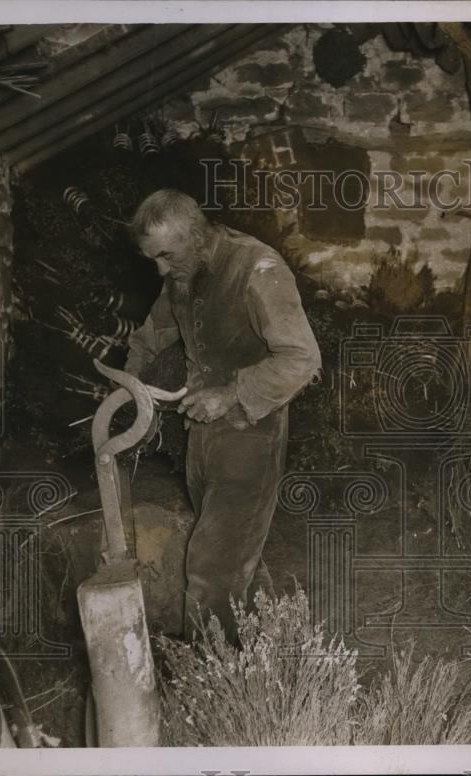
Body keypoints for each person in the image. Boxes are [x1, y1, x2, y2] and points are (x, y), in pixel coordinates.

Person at [124, 189, 321, 642]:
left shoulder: (258, 269)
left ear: (195, 234)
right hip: (202, 436)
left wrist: (232, 393)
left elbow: (301, 359)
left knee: (212, 569)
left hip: (251, 435)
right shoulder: (183, 269)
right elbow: (153, 333)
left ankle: (210, 683)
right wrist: (129, 381)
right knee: (231, 553)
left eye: (166, 256)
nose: (159, 269)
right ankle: (262, 651)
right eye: (152, 258)